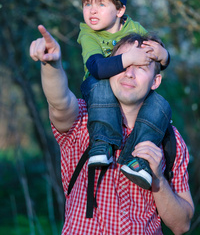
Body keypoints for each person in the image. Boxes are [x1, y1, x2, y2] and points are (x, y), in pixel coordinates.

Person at [30, 29, 194, 235]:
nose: (129, 73)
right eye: (124, 63)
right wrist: (52, 65)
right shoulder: (83, 118)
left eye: (141, 67)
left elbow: (182, 225)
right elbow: (59, 102)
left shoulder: (171, 138)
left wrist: (158, 178)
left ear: (155, 81)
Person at [71, 0, 171, 189]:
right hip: (97, 88)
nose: (92, 10)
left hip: (127, 90)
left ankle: (138, 160)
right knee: (103, 86)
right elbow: (96, 68)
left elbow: (155, 56)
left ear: (120, 10)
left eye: (101, 4)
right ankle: (102, 144)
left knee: (161, 105)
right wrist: (129, 58)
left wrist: (163, 56)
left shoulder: (134, 28)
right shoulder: (88, 33)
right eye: (87, 4)